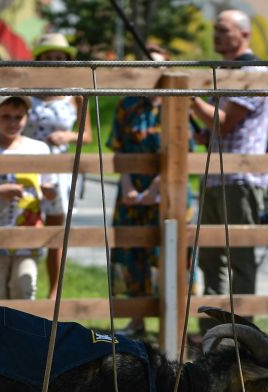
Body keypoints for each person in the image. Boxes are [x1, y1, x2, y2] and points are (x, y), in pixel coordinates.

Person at [189, 9, 268, 334]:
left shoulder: (251, 70)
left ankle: (243, 334)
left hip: (241, 177)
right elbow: (215, 125)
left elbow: (224, 122)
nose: (217, 35)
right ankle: (213, 331)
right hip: (214, 176)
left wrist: (188, 96)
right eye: (215, 29)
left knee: (239, 259)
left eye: (223, 30)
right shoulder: (226, 71)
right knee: (210, 258)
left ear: (244, 33)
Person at [0, 95, 58, 300]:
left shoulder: (39, 150)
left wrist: (49, 191)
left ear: (27, 117)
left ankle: (22, 332)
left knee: (24, 287)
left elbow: (50, 186)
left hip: (29, 235)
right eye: (6, 116)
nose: (13, 123)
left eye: (18, 117)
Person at [23, 32, 92, 300]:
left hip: (60, 167)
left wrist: (68, 136)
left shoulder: (75, 95)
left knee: (55, 232)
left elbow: (86, 136)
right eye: (48, 58)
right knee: (27, 225)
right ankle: (24, 288)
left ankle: (54, 294)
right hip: (30, 163)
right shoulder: (28, 93)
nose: (53, 62)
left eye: (59, 58)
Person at [108, 46, 171, 336]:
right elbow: (119, 152)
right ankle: (136, 320)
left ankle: (169, 325)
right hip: (130, 192)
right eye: (146, 66)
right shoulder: (127, 104)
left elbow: (183, 152)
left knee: (165, 256)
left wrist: (154, 189)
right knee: (131, 255)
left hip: (168, 195)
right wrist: (129, 188)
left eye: (157, 66)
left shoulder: (176, 104)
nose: (152, 71)